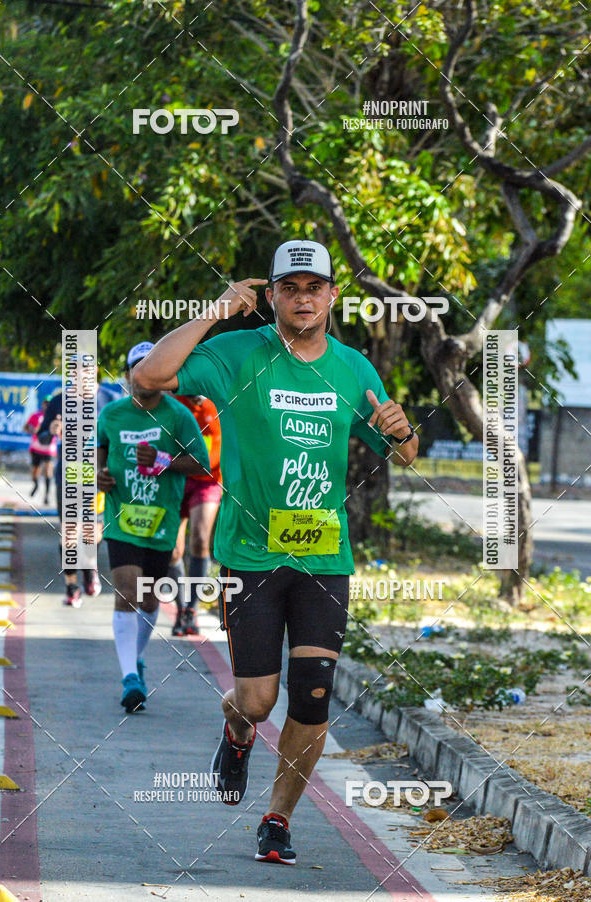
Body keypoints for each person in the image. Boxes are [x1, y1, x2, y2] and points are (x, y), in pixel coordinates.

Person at [135, 239, 418, 863]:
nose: (303, 298)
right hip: (251, 559)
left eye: (314, 286)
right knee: (259, 699)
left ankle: (277, 819)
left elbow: (402, 452)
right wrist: (213, 312)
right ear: (272, 295)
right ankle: (237, 730)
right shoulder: (237, 355)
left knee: (313, 692)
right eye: (289, 287)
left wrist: (403, 434)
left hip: (324, 561)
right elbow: (149, 378)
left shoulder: (352, 369)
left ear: (332, 296)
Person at [97, 342, 211, 713]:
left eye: (152, 368)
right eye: (136, 368)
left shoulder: (178, 416)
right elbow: (97, 453)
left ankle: (137, 660)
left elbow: (202, 464)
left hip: (160, 521)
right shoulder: (111, 414)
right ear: (128, 375)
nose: (144, 376)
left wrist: (163, 459)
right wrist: (98, 477)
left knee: (149, 598)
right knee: (126, 589)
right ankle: (130, 677)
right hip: (122, 519)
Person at [37, 366, 116, 605]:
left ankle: (89, 566)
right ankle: (71, 586)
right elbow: (42, 436)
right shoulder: (60, 401)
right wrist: (50, 431)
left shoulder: (109, 400)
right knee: (70, 531)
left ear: (95, 372)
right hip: (69, 474)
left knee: (95, 528)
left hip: (97, 474)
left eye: (86, 370)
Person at [169, 394, 223, 637]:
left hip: (209, 481)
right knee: (174, 550)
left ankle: (192, 609)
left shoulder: (218, 402)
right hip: (178, 478)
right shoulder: (173, 402)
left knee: (200, 540)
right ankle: (181, 609)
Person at [24, 397, 57, 504]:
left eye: (49, 403)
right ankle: (36, 484)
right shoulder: (36, 415)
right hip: (36, 447)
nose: (47, 405)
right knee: (35, 471)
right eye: (45, 403)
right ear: (42, 404)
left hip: (49, 449)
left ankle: (46, 496)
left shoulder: (56, 417)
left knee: (48, 471)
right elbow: (26, 427)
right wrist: (33, 430)